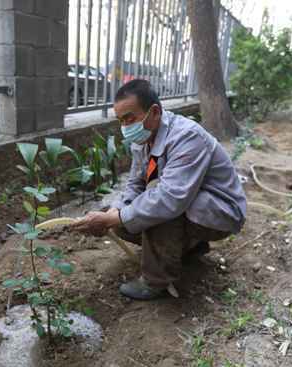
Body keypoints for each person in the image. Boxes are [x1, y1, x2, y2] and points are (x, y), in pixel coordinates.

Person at [72, 79, 247, 300]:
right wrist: (114, 213)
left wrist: (116, 217)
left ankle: (156, 281)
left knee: (156, 200)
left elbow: (170, 198)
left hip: (220, 212)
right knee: (124, 222)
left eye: (130, 118)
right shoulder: (143, 139)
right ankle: (189, 249)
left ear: (154, 112)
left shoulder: (187, 137)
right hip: (191, 205)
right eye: (121, 121)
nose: (125, 127)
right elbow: (135, 183)